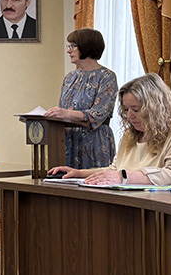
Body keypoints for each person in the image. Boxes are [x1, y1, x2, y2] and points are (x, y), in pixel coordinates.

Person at [48, 73, 171, 191]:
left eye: (136, 109)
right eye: (126, 109)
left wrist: (123, 177)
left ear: (155, 108)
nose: (129, 115)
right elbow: (115, 169)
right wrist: (79, 173)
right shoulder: (131, 135)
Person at [43, 28, 117, 169]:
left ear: (86, 46)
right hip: (67, 141)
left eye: (72, 46)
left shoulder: (107, 76)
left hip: (94, 142)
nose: (68, 51)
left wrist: (67, 113)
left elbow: (98, 113)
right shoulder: (70, 78)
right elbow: (63, 111)